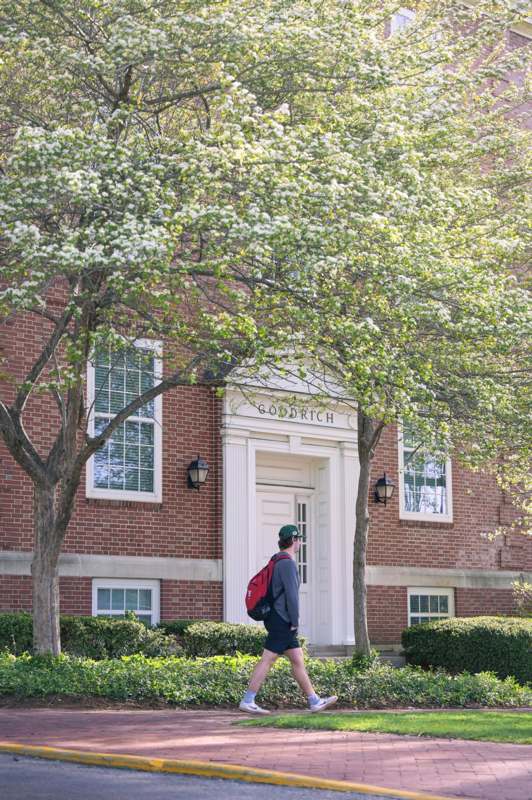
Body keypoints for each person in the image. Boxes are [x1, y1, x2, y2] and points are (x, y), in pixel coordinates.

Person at [239, 524, 338, 715]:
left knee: (297, 659)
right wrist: (295, 620)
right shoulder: (288, 563)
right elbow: (292, 596)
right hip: (282, 620)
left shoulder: (276, 560)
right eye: (299, 538)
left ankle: (314, 700)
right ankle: (248, 700)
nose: (300, 542)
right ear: (293, 540)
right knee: (267, 659)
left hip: (277, 618)